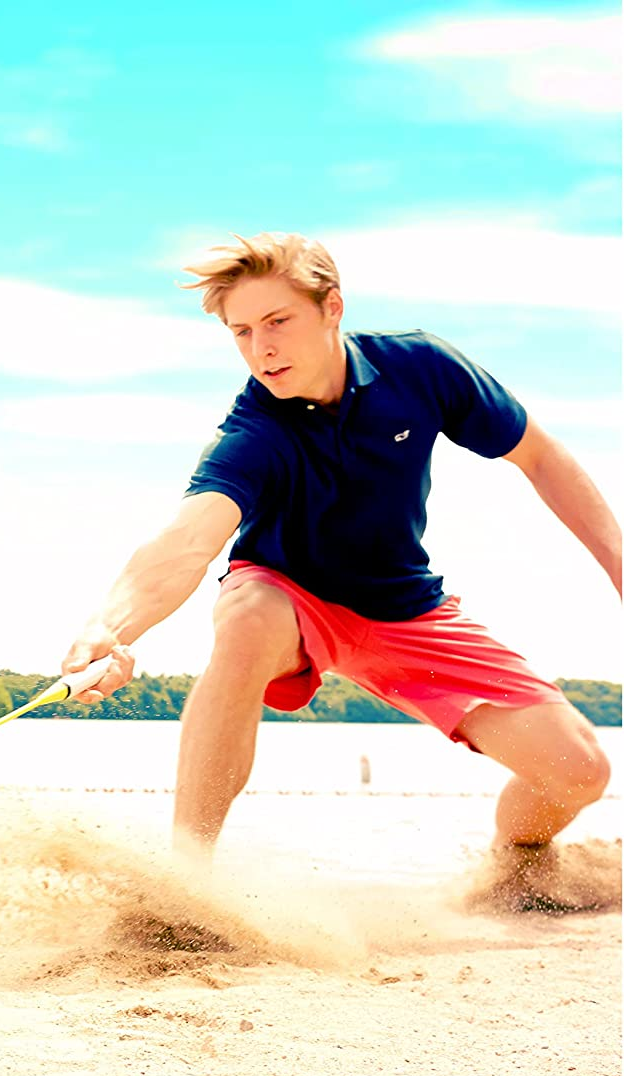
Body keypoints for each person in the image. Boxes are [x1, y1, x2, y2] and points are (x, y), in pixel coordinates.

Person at [63, 233, 620, 902]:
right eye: (242, 332)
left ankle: (516, 865)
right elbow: (186, 541)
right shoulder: (255, 433)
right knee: (246, 615)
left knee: (579, 771)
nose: (261, 349)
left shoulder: (420, 367)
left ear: (332, 307)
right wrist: (110, 628)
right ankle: (185, 885)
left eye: (277, 321)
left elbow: (541, 456)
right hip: (288, 601)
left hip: (405, 609)